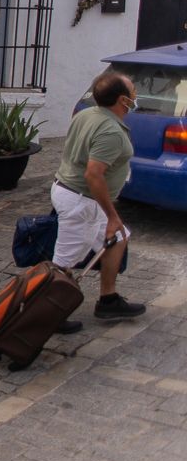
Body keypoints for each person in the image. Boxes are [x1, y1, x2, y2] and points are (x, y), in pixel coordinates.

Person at [50, 71, 145, 324]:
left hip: (74, 193)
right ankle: (48, 316)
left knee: (119, 237)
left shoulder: (87, 114)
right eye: (133, 91)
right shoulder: (110, 131)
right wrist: (112, 215)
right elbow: (94, 174)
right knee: (63, 262)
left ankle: (108, 300)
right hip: (81, 201)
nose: (136, 94)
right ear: (123, 100)